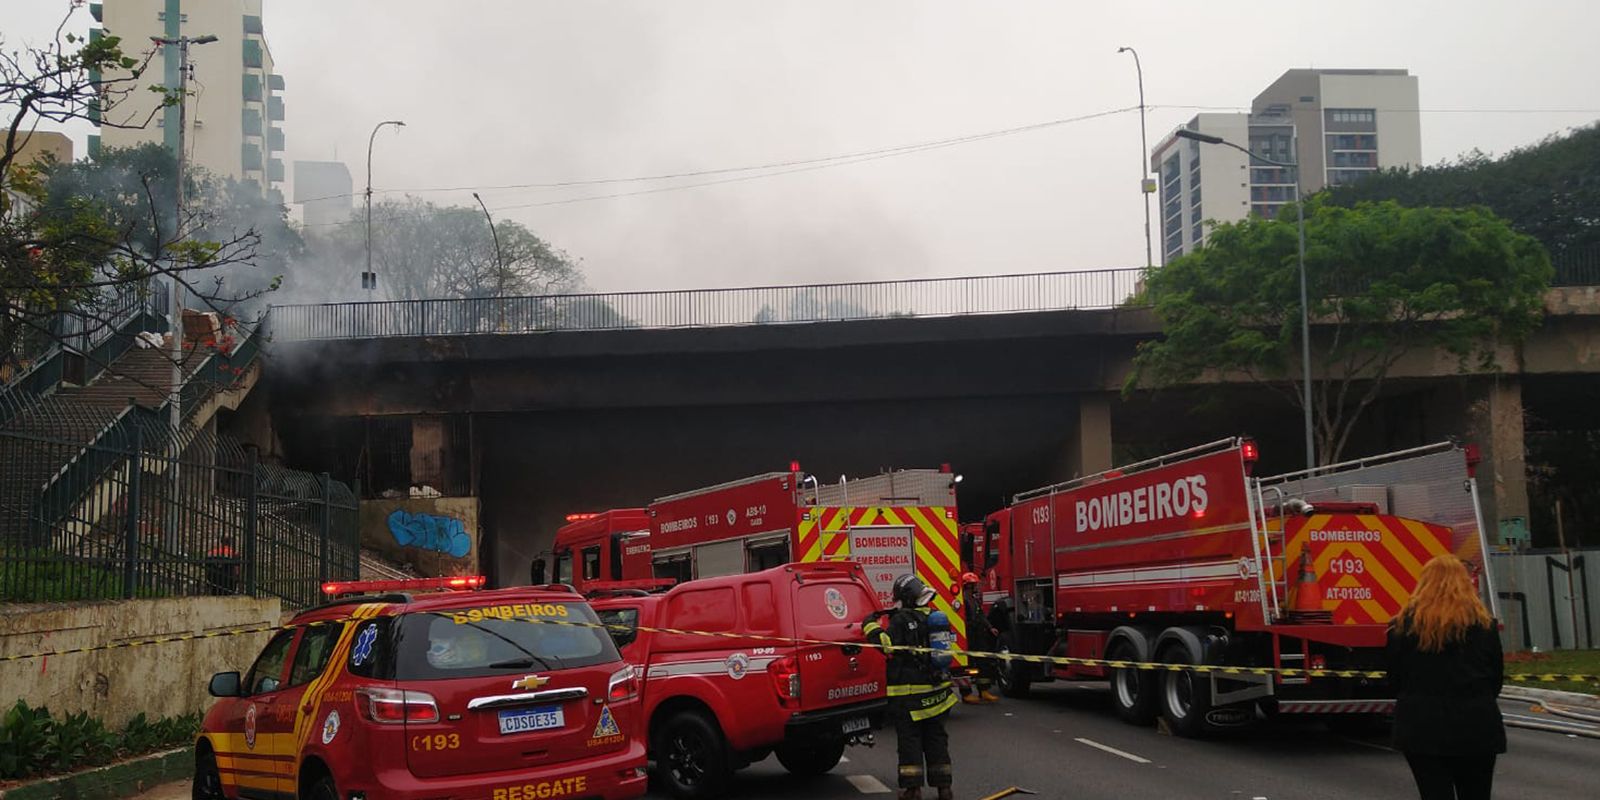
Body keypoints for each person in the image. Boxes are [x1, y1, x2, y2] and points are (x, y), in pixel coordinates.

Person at [1386, 555, 1505, 800]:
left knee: (1433, 793)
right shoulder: (1485, 627)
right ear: (1466, 584)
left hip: (1421, 725)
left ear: (1423, 584)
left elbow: (1395, 679)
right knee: (1476, 793)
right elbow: (1495, 680)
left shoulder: (1401, 627)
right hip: (1477, 724)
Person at [865, 574, 957, 800]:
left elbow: (887, 647)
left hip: (910, 697)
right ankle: (944, 788)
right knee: (937, 740)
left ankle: (912, 790)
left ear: (906, 598)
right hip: (937, 695)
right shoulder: (935, 616)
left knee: (910, 742)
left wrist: (870, 626)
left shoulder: (901, 620)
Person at [959, 573, 1002, 704]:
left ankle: (984, 691)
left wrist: (990, 628)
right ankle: (966, 694)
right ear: (969, 585)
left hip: (978, 634)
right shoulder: (963, 600)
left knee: (983, 662)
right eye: (974, 584)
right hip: (969, 635)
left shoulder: (974, 599)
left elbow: (981, 616)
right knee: (968, 664)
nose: (976, 586)